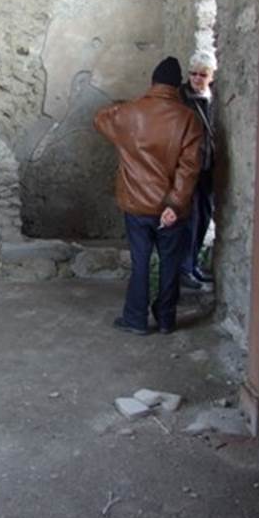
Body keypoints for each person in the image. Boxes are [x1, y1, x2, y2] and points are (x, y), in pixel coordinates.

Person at [93, 57, 203, 335]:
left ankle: (135, 319)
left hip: (136, 205)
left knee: (140, 262)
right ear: (177, 86)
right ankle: (166, 319)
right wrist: (175, 204)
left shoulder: (129, 114)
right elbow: (189, 168)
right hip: (170, 209)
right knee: (170, 264)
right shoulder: (188, 119)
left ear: (153, 83)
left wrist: (136, 103)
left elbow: (100, 118)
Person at [178, 50, 217, 290]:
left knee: (204, 215)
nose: (196, 79)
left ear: (211, 76)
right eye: (192, 74)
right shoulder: (183, 97)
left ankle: (193, 265)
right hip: (190, 165)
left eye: (202, 75)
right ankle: (186, 267)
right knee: (191, 219)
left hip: (208, 166)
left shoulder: (213, 97)